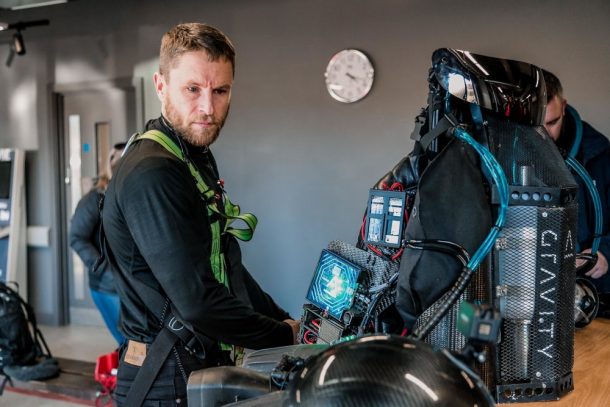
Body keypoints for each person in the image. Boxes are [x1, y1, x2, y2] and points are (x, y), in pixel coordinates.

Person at [101, 23, 299, 406]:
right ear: (161, 86)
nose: (208, 108)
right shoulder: (153, 171)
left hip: (194, 365)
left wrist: (283, 319)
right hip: (165, 378)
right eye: (192, 89)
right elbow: (198, 302)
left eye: (220, 91)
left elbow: (223, 262)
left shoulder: (191, 156)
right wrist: (281, 336)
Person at [543, 70, 610, 299]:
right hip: (526, 289)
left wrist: (604, 253)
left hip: (591, 292)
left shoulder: (599, 155)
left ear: (563, 107)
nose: (544, 136)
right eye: (536, 126)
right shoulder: (504, 155)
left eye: (552, 123)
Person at [69, 143, 126, 346]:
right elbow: (76, 237)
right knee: (128, 345)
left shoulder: (124, 196)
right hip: (107, 286)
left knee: (133, 346)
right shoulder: (93, 200)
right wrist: (105, 270)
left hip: (127, 285)